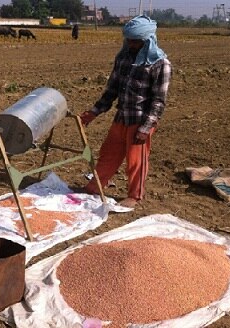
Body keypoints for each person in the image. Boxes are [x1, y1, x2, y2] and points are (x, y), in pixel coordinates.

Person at [79, 15, 172, 208]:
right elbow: (112, 89)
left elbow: (158, 101)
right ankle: (94, 187)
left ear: (147, 40)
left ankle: (135, 195)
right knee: (108, 153)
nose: (130, 44)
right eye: (128, 40)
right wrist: (93, 112)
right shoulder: (123, 58)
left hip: (141, 120)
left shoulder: (160, 64)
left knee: (136, 160)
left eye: (135, 41)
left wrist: (146, 128)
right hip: (122, 116)